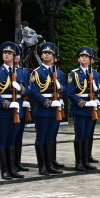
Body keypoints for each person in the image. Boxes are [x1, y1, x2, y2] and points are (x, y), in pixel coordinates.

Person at [0, 41, 26, 180]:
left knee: (12, 141)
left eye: (9, 53)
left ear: (14, 56)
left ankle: (12, 169)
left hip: (17, 111)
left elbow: (26, 89)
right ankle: (4, 170)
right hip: (4, 112)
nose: (6, 55)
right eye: (5, 53)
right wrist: (6, 103)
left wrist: (20, 89)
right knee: (2, 142)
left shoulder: (20, 73)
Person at [27, 42, 66, 175]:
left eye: (49, 53)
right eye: (44, 52)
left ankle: (50, 164)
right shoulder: (37, 73)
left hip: (55, 109)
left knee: (51, 138)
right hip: (43, 109)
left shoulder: (58, 73)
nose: (46, 54)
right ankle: (42, 166)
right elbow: (34, 91)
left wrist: (60, 88)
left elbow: (63, 89)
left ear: (54, 56)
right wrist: (46, 102)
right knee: (41, 138)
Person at [67, 46, 100, 171]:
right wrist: (83, 102)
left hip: (92, 108)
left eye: (86, 56)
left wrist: (97, 98)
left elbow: (99, 90)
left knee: (87, 135)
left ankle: (86, 160)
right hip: (80, 109)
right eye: (82, 56)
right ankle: (79, 162)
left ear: (90, 60)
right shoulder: (74, 74)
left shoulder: (95, 74)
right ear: (78, 59)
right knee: (80, 135)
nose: (84, 57)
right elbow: (70, 93)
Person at [11, 44, 31, 174]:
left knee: (19, 136)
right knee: (11, 137)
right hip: (11, 106)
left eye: (18, 55)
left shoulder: (24, 71)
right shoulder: (6, 71)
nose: (16, 57)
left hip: (21, 107)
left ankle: (17, 162)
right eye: (15, 54)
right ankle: (11, 163)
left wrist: (23, 92)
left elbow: (29, 88)